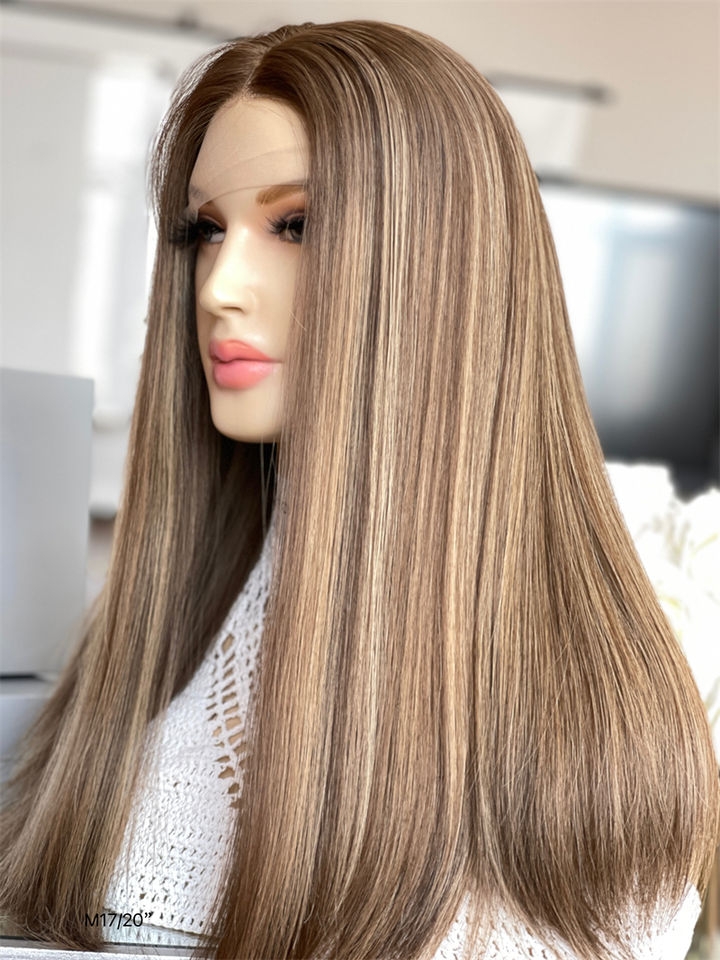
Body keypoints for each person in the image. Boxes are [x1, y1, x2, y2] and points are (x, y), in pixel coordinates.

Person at [0, 19, 717, 960]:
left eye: (295, 225)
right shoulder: (157, 648)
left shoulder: (585, 748)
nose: (218, 287)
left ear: (440, 267)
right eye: (205, 229)